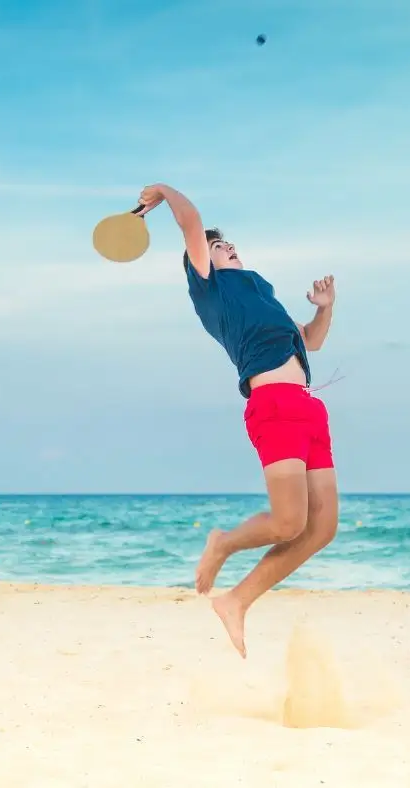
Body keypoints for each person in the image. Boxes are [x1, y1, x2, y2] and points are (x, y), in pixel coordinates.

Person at [137, 183, 339, 658]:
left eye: (228, 243)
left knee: (323, 526)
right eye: (216, 245)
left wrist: (324, 309)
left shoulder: (262, 293)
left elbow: (310, 341)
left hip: (309, 406)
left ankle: (236, 601)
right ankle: (223, 543)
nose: (226, 246)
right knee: (289, 522)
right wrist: (165, 193)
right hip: (273, 406)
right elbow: (191, 223)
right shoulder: (212, 289)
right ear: (200, 260)